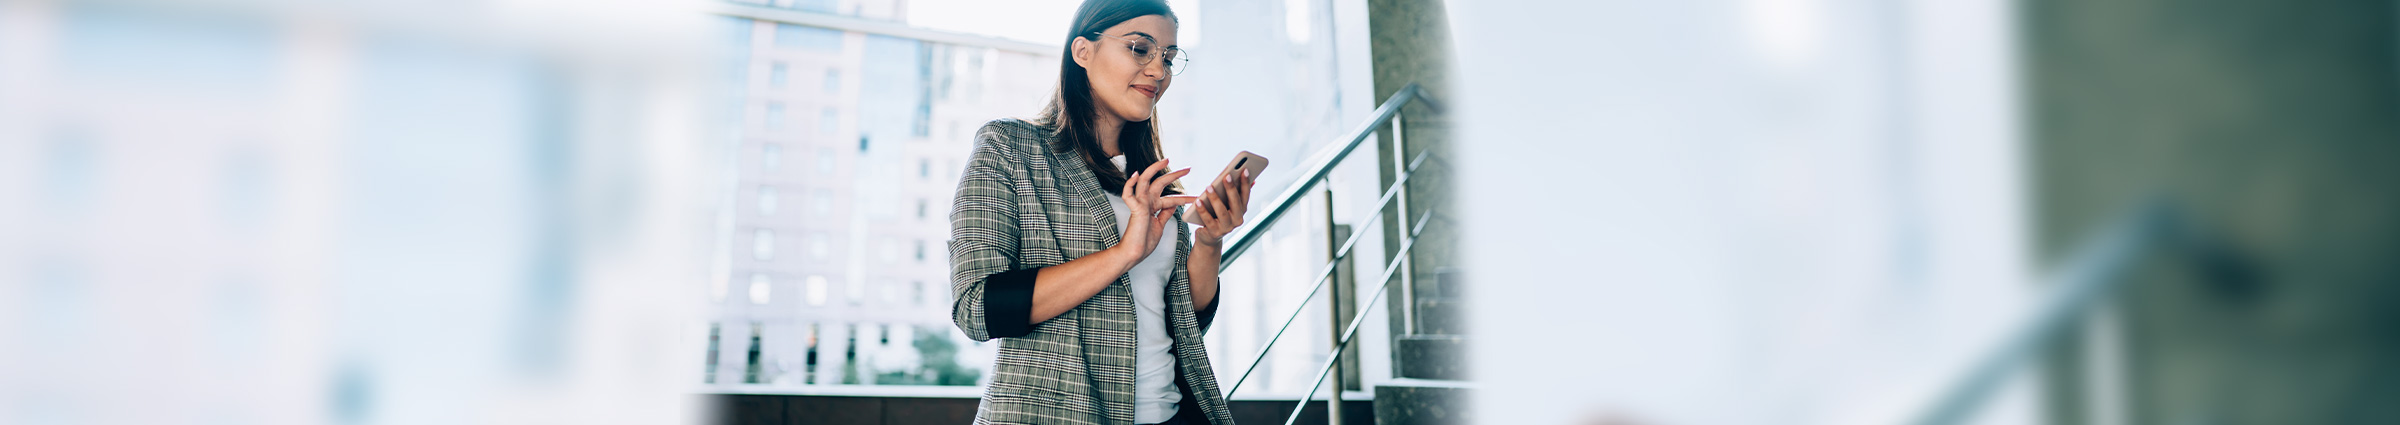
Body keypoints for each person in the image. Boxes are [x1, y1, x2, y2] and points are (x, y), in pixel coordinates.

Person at [946, 0, 1255, 424]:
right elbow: (977, 308)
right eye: (1139, 48)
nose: (1158, 71)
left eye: (1168, 57)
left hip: (1169, 413)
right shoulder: (1010, 147)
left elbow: (1184, 316)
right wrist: (1124, 253)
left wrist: (1209, 240)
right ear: (1083, 52)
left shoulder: (1151, 177)